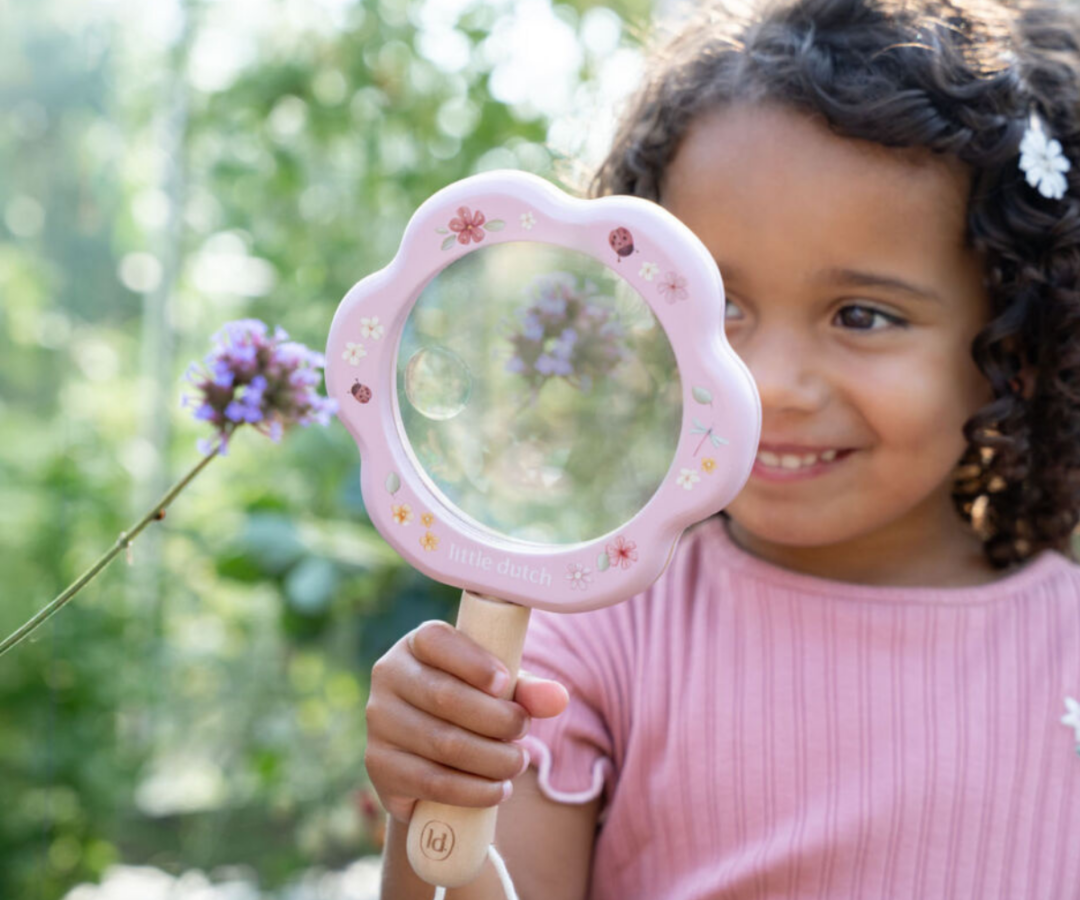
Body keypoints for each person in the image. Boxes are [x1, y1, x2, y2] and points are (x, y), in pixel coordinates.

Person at [362, 1, 1080, 896]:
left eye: (862, 315)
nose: (767, 382)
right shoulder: (592, 637)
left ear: (1011, 344)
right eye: (720, 306)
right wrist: (429, 807)